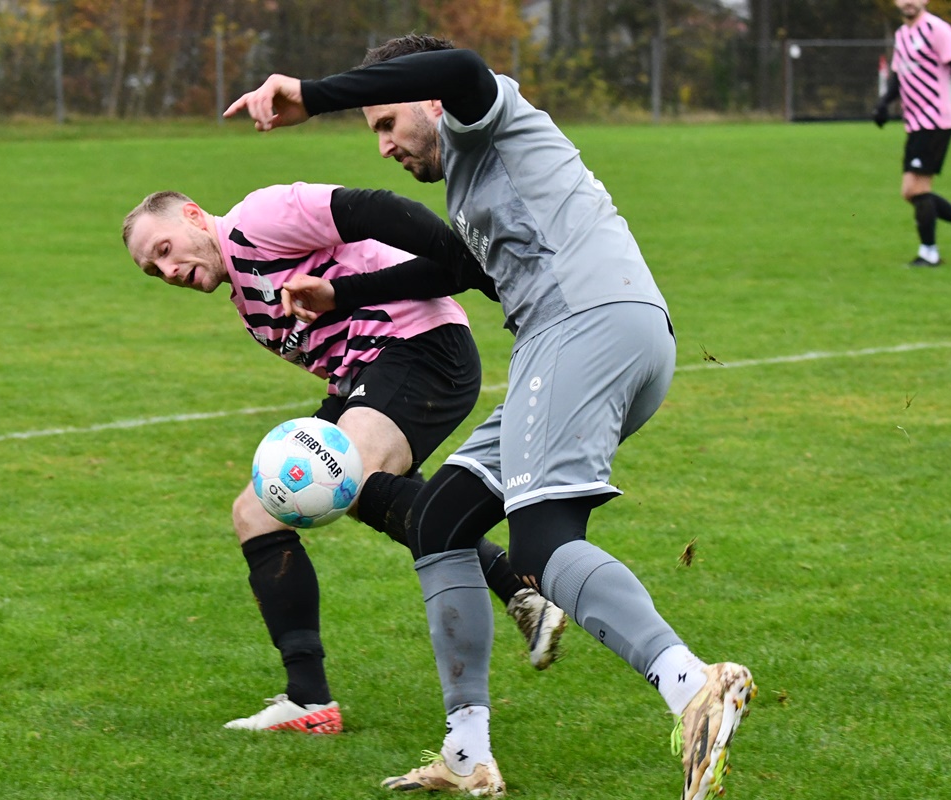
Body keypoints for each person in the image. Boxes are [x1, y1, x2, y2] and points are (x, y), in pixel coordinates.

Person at [226, 35, 756, 799]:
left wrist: (314, 93)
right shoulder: (473, 181)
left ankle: (693, 685)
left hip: (582, 324)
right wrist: (343, 295)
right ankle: (467, 752)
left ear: (430, 104)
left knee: (543, 543)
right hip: (603, 333)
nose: (382, 147)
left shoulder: (480, 114)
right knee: (443, 519)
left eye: (385, 124)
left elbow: (461, 66)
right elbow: (460, 270)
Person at [121, 182, 567, 735]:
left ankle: (522, 582)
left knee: (343, 477)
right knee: (258, 511)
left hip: (419, 346)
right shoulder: (245, 297)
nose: (166, 272)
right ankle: (309, 700)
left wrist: (461, 260)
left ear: (192, 215)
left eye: (164, 250)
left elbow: (371, 207)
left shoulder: (255, 221)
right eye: (151, 271)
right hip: (368, 375)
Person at [874, 0, 951, 267]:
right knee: (910, 191)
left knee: (916, 188)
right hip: (915, 122)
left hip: (936, 120)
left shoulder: (938, 29)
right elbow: (899, 77)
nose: (908, 2)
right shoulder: (902, 35)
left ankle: (930, 253)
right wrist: (882, 105)